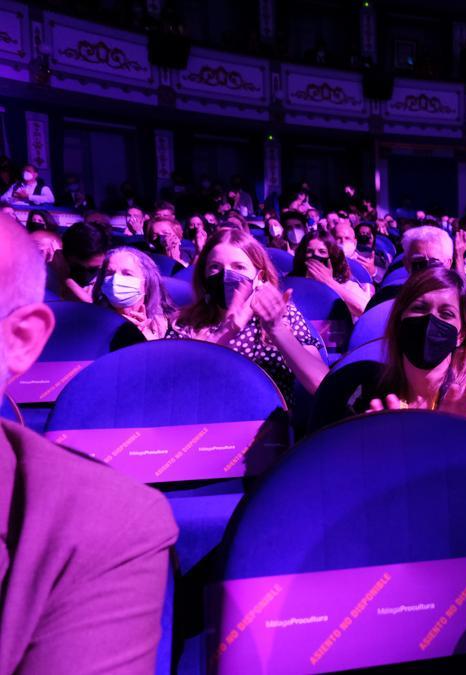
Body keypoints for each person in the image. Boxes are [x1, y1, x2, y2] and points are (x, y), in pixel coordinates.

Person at [0, 215, 178, 672]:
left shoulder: (103, 528)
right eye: (108, 273)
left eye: (128, 274)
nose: (116, 282)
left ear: (20, 341)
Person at [168, 228, 328, 405]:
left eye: (239, 267)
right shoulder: (186, 322)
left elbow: (322, 384)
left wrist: (277, 330)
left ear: (259, 277)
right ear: (204, 277)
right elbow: (172, 388)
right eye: (215, 267)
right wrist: (227, 330)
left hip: (267, 425)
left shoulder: (282, 314)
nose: (226, 275)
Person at [358, 267, 466, 439]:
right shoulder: (371, 388)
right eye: (419, 308)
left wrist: (447, 435)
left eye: (446, 314)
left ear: (461, 335)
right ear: (399, 322)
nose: (430, 320)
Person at [92, 247, 176, 340]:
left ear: (146, 282)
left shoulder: (169, 324)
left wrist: (143, 336)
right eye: (109, 273)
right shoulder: (93, 321)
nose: (115, 279)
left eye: (127, 274)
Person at [290, 232, 373, 318]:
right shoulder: (292, 285)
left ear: (332, 258)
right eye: (309, 251)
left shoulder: (346, 286)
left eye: (322, 252)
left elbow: (365, 310)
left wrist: (329, 281)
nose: (315, 256)